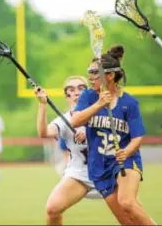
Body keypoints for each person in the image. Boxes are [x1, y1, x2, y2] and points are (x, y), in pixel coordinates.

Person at [71, 45, 156, 225]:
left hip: (125, 159)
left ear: (109, 75)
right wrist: (99, 105)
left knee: (127, 202)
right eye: (89, 72)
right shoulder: (88, 96)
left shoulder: (129, 103)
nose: (90, 77)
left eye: (95, 72)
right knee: (126, 220)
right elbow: (75, 121)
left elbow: (137, 137)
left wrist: (126, 152)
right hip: (99, 165)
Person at [35, 75, 103, 225]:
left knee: (129, 210)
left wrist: (88, 131)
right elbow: (44, 133)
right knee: (53, 209)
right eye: (71, 90)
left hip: (108, 172)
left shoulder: (102, 111)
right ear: (67, 96)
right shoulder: (64, 120)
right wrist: (42, 105)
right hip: (79, 174)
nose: (76, 93)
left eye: (81, 88)